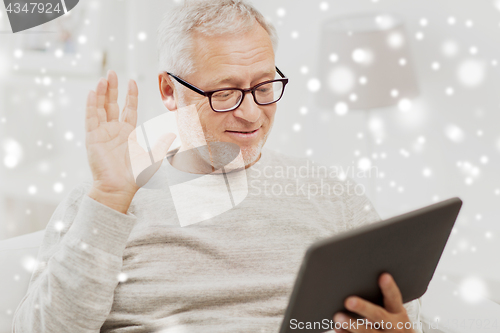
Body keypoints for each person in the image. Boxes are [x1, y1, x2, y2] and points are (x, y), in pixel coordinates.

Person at [12, 1, 423, 332]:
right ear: (170, 91)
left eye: (263, 87)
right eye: (225, 93)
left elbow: (408, 316)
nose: (251, 114)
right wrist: (108, 199)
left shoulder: (334, 193)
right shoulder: (105, 196)